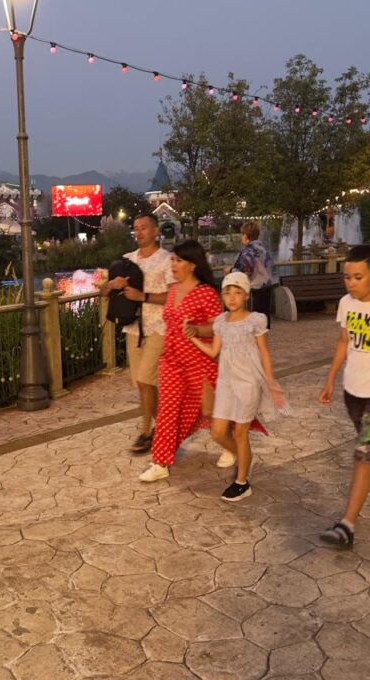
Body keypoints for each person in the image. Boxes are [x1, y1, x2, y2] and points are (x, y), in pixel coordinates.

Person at [185, 271, 285, 501]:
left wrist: (271, 383)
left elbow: (265, 353)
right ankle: (244, 458)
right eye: (227, 292)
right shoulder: (221, 322)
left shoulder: (255, 320)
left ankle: (242, 482)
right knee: (218, 432)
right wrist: (193, 337)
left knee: (241, 433)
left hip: (248, 383)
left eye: (237, 292)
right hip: (226, 384)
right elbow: (214, 351)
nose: (231, 297)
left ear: (246, 295)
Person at [138, 240, 223, 482]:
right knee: (167, 410)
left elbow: (218, 327)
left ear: (193, 264)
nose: (173, 264)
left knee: (209, 410)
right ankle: (160, 462)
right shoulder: (173, 290)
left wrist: (197, 329)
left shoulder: (206, 293)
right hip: (172, 361)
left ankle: (230, 443)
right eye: (172, 260)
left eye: (179, 260)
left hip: (198, 362)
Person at [100, 213, 174, 453]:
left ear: (156, 231)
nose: (139, 232)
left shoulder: (167, 260)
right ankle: (162, 430)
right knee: (142, 385)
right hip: (133, 327)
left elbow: (174, 296)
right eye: (136, 228)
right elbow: (103, 292)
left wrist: (143, 296)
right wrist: (113, 285)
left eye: (144, 227)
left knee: (145, 379)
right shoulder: (126, 260)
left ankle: (148, 431)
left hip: (158, 327)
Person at [318, 245, 370, 547]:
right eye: (347, 277)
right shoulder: (346, 304)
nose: (351, 283)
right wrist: (330, 378)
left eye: (358, 277)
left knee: (364, 455)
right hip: (354, 393)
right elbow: (343, 341)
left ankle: (346, 525)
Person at [231, 220, 275, 326]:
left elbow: (245, 271)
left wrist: (231, 271)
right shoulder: (264, 249)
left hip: (255, 289)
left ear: (246, 236)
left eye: (242, 234)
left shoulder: (248, 251)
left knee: (253, 320)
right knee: (263, 320)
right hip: (267, 287)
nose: (241, 237)